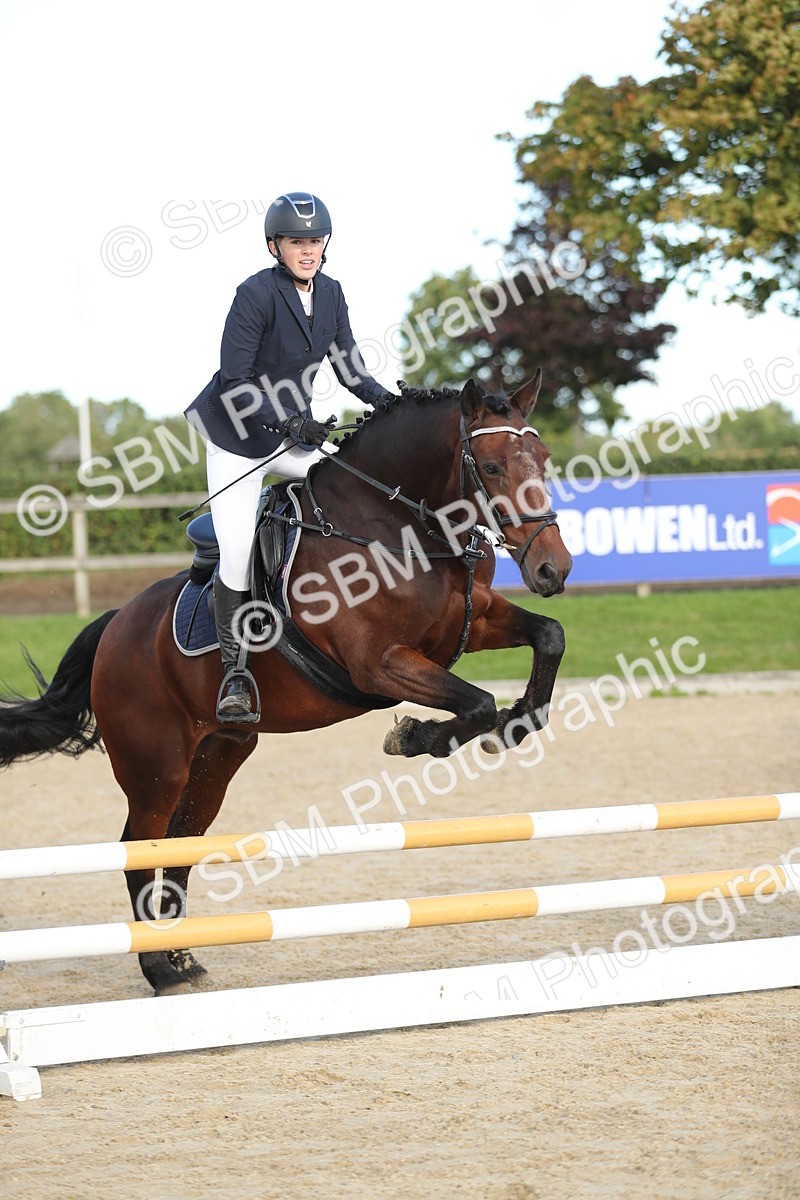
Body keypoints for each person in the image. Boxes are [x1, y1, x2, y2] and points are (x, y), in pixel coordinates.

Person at [185, 191, 390, 721]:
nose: (308, 250)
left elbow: (350, 368)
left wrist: (390, 403)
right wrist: (289, 422)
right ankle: (234, 675)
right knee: (234, 551)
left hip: (293, 436)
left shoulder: (333, 293)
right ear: (276, 246)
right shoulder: (255, 294)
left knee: (354, 485)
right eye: (298, 242)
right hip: (238, 439)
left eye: (315, 241)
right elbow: (235, 380)